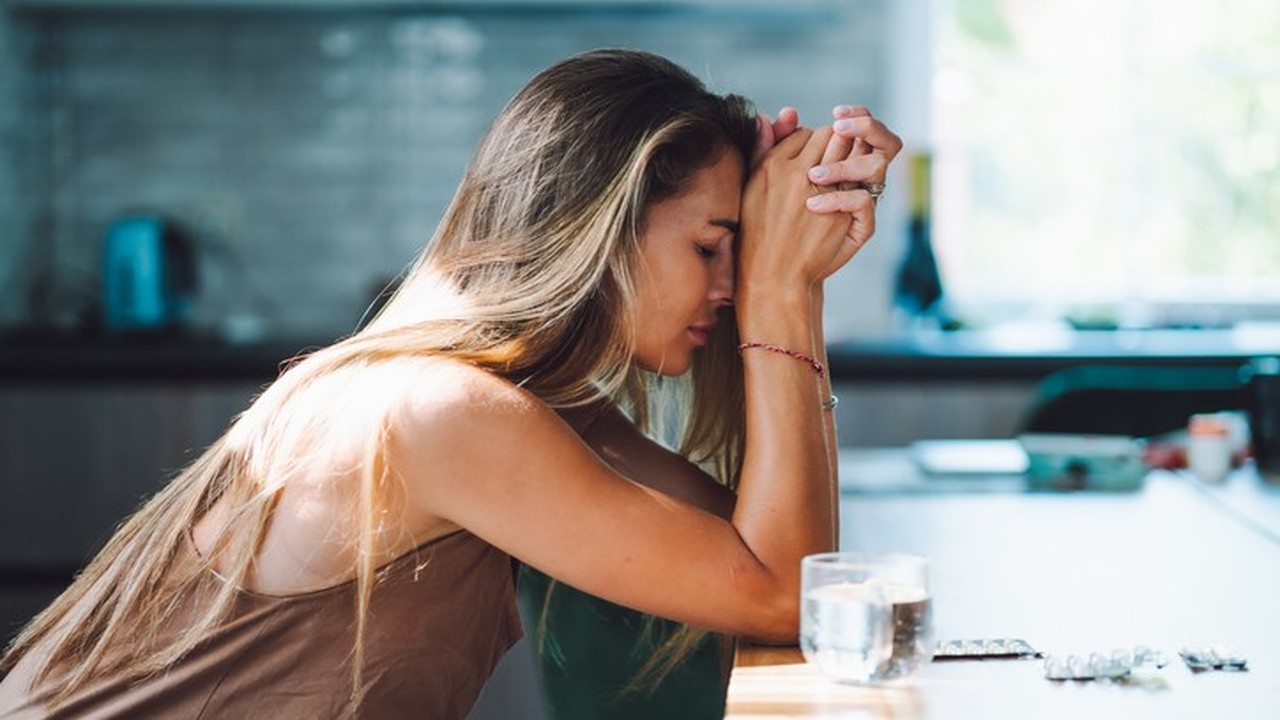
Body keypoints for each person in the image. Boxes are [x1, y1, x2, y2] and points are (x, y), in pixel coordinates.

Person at [0, 48, 901, 719]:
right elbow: (787, 590)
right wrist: (782, 292)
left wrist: (795, 281)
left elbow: (780, 565)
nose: (729, 284)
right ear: (594, 229)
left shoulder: (534, 405)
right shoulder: (443, 412)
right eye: (711, 246)